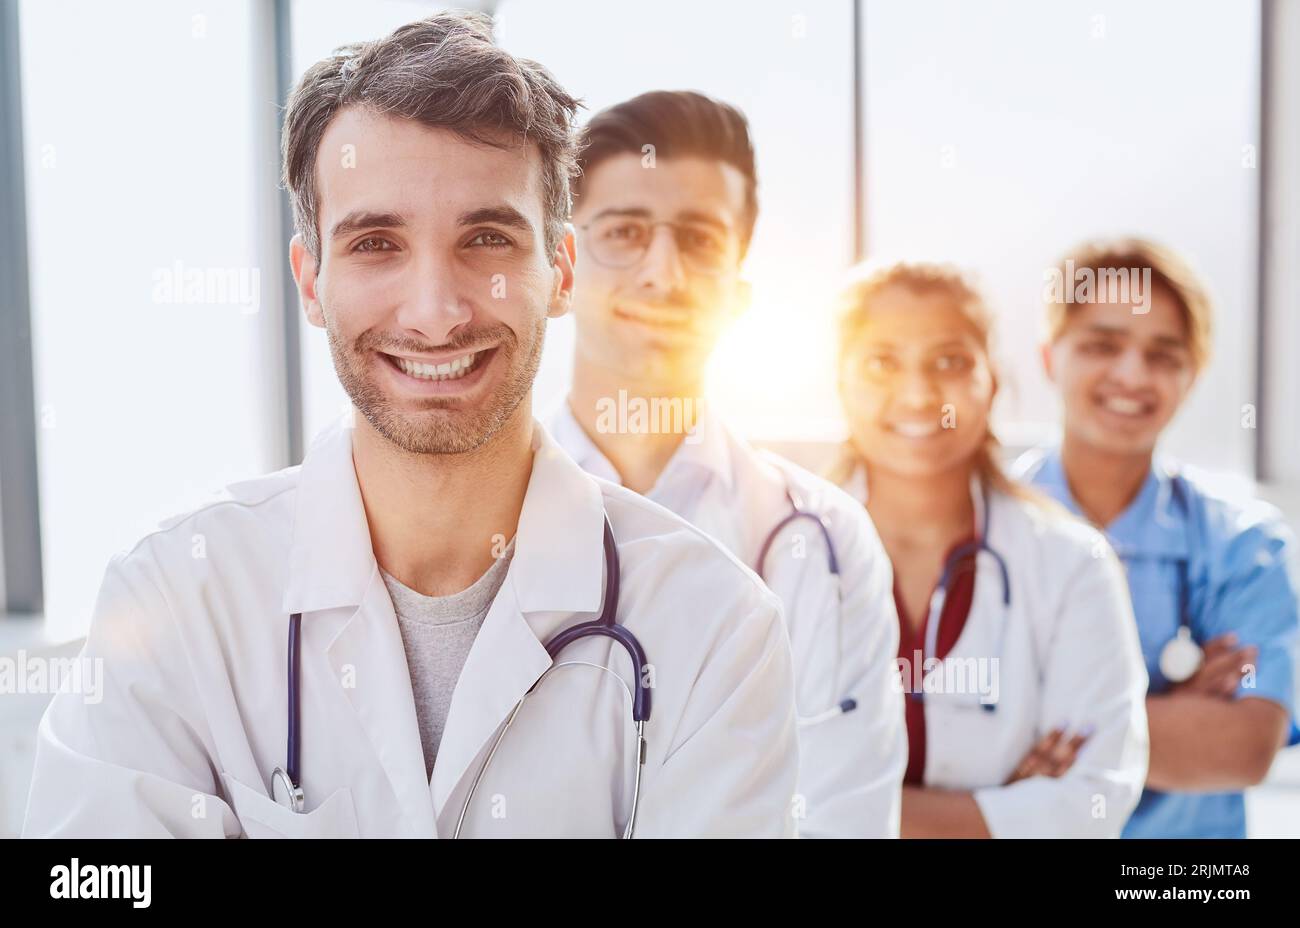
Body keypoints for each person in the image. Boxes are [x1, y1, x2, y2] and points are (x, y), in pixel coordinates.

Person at [22, 13, 800, 839]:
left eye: (488, 238)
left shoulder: (716, 628)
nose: (435, 312)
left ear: (561, 272)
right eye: (376, 243)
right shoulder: (173, 600)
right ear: (311, 280)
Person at [548, 91, 905, 837]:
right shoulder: (469, 518)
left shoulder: (825, 541)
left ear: (739, 291)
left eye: (701, 240)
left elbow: (840, 820)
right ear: (563, 267)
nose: (663, 273)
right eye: (625, 231)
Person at [830, 260, 1149, 838]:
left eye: (950, 362)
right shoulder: (776, 553)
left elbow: (1092, 801)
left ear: (993, 382)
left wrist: (841, 809)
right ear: (839, 381)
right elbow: (739, 782)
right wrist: (1005, 815)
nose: (918, 393)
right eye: (881, 362)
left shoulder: (1071, 562)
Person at [1019, 237, 1299, 838]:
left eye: (1163, 355)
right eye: (1102, 345)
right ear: (1049, 357)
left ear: (1191, 374)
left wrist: (1042, 726)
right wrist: (1169, 715)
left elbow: (1242, 748)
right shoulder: (984, 529)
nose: (1131, 375)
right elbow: (939, 739)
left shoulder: (1243, 545)